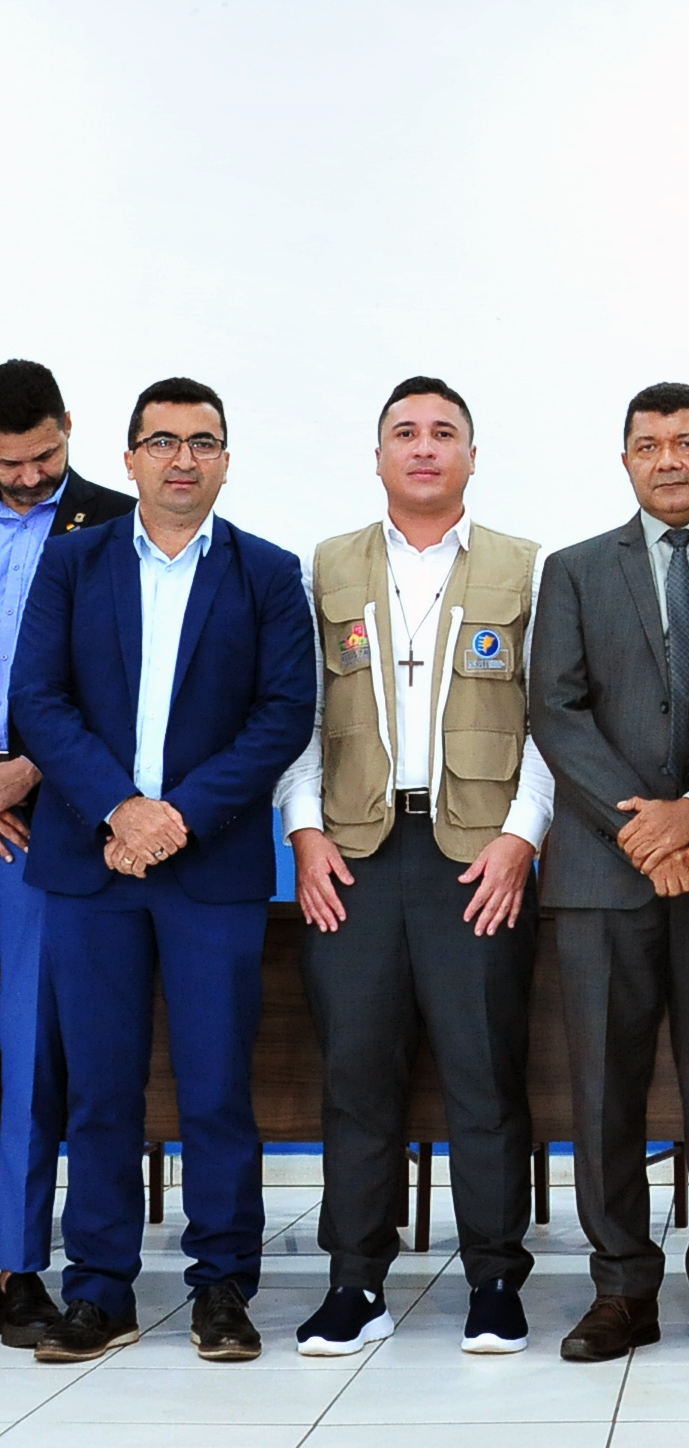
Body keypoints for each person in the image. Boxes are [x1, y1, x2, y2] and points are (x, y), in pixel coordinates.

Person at [7, 377, 314, 1362]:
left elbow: (282, 715)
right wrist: (120, 806)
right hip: (91, 863)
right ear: (130, 455)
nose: (183, 458)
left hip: (208, 864)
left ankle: (222, 1284)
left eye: (203, 441)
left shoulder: (267, 574)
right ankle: (98, 1287)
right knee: (99, 1089)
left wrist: (176, 815)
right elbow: (41, 703)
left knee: (217, 1086)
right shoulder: (73, 562)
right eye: (163, 441)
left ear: (226, 458)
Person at [273, 378, 553, 1356]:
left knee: (483, 1073)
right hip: (352, 854)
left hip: (476, 855)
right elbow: (300, 711)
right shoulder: (328, 565)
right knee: (355, 1075)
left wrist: (522, 835)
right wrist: (303, 829)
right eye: (406, 432)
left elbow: (546, 719)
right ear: (379, 453)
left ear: (472, 455)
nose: (424, 447)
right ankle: (355, 1282)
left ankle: (492, 1280)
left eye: (444, 433)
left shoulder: (525, 566)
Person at [530, 382, 689, 1364]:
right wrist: (644, 829)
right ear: (624, 460)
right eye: (647, 445)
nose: (668, 459)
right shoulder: (577, 569)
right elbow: (555, 706)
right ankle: (620, 1285)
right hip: (600, 869)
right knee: (603, 1091)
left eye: (687, 442)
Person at [0, 360, 134, 1348]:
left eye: (44, 457)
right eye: (6, 464)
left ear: (70, 431)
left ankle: (13, 1262)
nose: (26, 479)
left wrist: (29, 769)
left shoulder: (120, 527)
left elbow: (126, 680)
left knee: (27, 1057)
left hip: (36, 828)